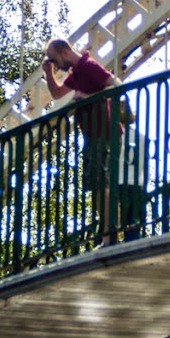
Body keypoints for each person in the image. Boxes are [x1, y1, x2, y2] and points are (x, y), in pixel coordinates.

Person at [41, 39, 145, 243]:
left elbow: (116, 85)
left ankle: (109, 236)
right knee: (96, 186)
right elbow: (58, 93)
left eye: (54, 60)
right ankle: (109, 232)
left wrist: (87, 96)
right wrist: (48, 73)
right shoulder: (77, 73)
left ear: (63, 52)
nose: (56, 65)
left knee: (101, 185)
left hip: (105, 133)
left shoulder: (88, 66)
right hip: (93, 135)